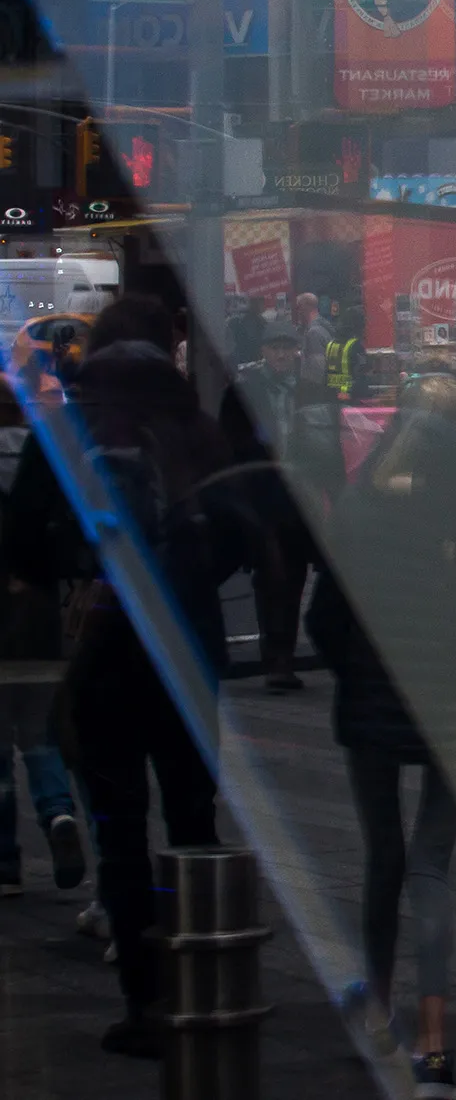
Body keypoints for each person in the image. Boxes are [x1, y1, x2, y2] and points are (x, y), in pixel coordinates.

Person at [8, 296, 249, 1057]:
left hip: (104, 646)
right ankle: (203, 979)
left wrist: (85, 573)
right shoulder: (195, 429)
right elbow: (240, 528)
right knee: (191, 816)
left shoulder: (66, 429)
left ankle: (144, 1001)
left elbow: (21, 543)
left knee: (118, 826)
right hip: (188, 645)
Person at [308, 374, 456, 1099]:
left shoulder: (359, 506)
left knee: (383, 857)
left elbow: (323, 618)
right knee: (431, 867)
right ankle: (435, 1047)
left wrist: (357, 669)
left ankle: (378, 1014)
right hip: (452, 704)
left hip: (372, 703)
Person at [220, 322, 342, 691]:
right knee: (272, 578)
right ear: (263, 351)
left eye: (287, 347)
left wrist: (335, 495)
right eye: (275, 347)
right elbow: (231, 449)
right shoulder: (242, 393)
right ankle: (277, 659)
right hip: (263, 498)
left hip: (304, 498)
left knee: (298, 577)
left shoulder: (313, 391)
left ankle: (289, 656)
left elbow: (330, 450)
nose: (282, 354)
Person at [0, 383, 85, 898]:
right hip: (38, 625)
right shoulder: (43, 463)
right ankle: (57, 813)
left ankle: (5, 863)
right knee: (39, 735)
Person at [293, 292, 334, 385]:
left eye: (298, 307)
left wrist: (311, 389)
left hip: (316, 387)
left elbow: (318, 367)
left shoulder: (313, 332)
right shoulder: (324, 326)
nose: (297, 312)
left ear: (305, 307)